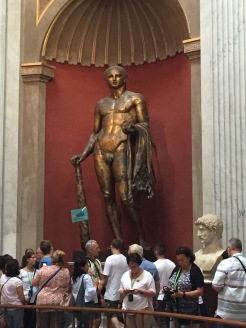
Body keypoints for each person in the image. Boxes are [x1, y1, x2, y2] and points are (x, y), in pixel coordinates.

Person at [71, 65, 154, 249]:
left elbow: (145, 124)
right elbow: (95, 132)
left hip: (122, 145)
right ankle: (118, 241)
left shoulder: (135, 98)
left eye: (118, 76)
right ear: (105, 80)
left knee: (126, 197)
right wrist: (83, 154)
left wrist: (134, 129)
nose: (114, 79)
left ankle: (142, 239)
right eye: (110, 76)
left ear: (125, 78)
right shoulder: (101, 104)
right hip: (101, 147)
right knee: (108, 196)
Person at [32, 249, 71, 328]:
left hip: (43, 301)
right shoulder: (66, 271)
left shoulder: (44, 269)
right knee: (55, 325)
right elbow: (68, 286)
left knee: (42, 325)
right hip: (58, 302)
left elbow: (34, 283)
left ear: (52, 259)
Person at [212, 237, 246, 326]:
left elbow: (216, 286)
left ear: (229, 249)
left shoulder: (225, 263)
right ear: (241, 249)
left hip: (227, 313)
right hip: (244, 313)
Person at [169, 246, 204, 328]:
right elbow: (170, 282)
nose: (180, 262)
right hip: (175, 307)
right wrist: (167, 288)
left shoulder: (195, 271)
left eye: (182, 260)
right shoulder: (177, 269)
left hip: (189, 309)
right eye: (178, 260)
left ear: (189, 258)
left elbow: (200, 291)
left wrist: (183, 294)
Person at [119, 253, 156, 328]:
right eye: (130, 266)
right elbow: (120, 291)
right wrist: (124, 291)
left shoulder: (147, 275)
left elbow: (152, 292)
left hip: (143, 309)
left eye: (134, 266)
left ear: (139, 264)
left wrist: (141, 291)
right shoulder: (125, 275)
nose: (132, 268)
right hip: (127, 309)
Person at [103, 239, 128, 328]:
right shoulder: (125, 259)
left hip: (111, 290)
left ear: (111, 246)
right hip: (122, 290)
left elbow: (105, 275)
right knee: (119, 313)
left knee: (111, 312)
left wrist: (102, 284)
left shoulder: (109, 259)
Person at [128, 243, 160, 308]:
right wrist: (155, 299)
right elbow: (157, 284)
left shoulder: (128, 266)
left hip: (133, 303)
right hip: (146, 302)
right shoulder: (152, 266)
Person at [194, 214, 224, 282]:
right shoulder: (195, 255)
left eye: (202, 230)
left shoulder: (222, 255)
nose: (198, 234)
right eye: (198, 230)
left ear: (213, 231)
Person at [153, 244, 175, 328]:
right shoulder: (172, 264)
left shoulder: (154, 265)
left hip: (159, 295)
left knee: (160, 320)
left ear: (156, 252)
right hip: (169, 295)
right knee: (167, 320)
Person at [72, 257, 98, 328]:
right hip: (86, 304)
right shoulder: (86, 277)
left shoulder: (74, 278)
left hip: (77, 303)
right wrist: (95, 285)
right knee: (87, 324)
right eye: (87, 265)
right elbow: (90, 293)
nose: (88, 266)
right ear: (82, 267)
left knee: (79, 323)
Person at [85, 240, 105, 328]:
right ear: (90, 250)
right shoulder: (85, 263)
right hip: (90, 294)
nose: (99, 250)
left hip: (98, 291)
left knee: (97, 319)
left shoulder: (97, 261)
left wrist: (101, 285)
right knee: (91, 320)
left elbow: (102, 277)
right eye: (96, 248)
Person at [0, 259, 26, 328]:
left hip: (5, 307)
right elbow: (21, 297)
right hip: (16, 307)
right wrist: (25, 300)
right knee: (17, 325)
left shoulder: (2, 278)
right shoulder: (17, 281)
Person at [19, 251, 38, 328]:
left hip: (35, 299)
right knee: (25, 321)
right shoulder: (21, 272)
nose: (35, 259)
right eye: (33, 257)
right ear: (27, 259)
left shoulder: (37, 271)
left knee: (33, 321)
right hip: (25, 299)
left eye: (35, 257)